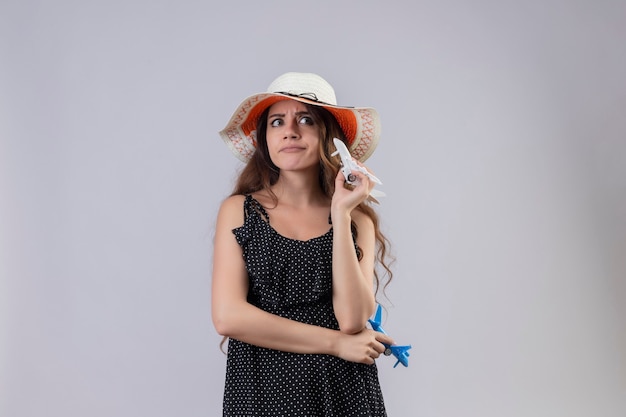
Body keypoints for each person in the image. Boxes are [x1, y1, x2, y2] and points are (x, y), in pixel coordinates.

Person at [211, 72, 394, 416]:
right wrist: (337, 344)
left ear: (328, 135)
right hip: (263, 388)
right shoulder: (240, 212)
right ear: (265, 139)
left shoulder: (357, 221)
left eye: (305, 119)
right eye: (277, 121)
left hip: (344, 391)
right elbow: (228, 317)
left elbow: (353, 319)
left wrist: (340, 213)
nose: (290, 131)